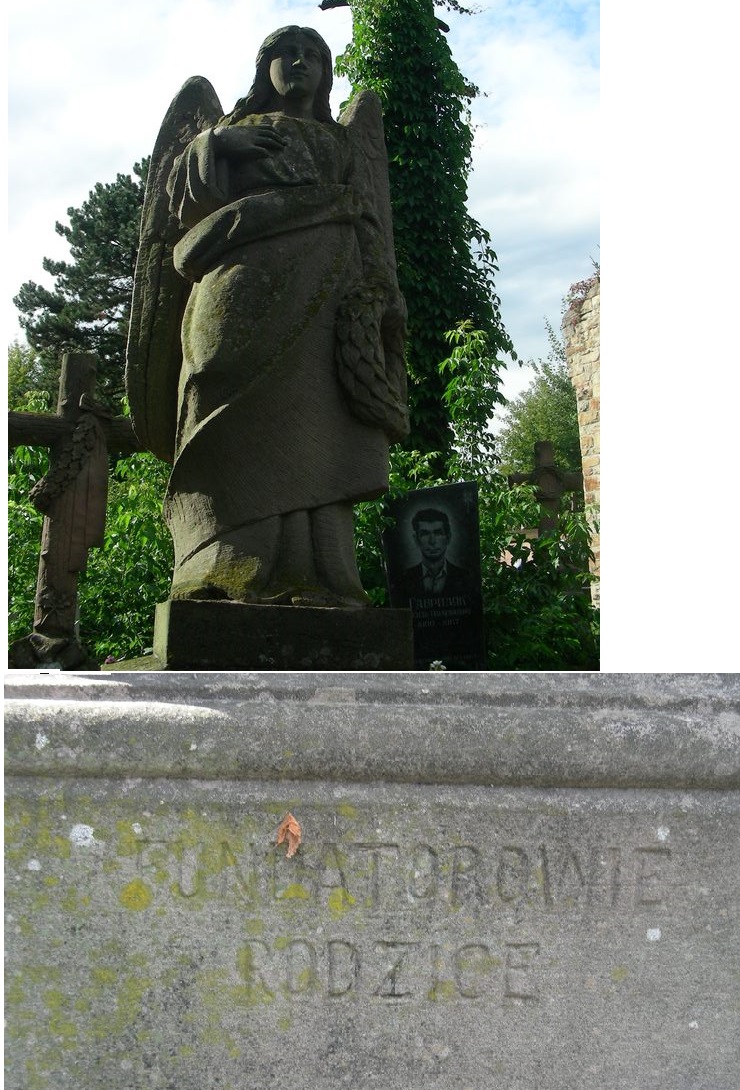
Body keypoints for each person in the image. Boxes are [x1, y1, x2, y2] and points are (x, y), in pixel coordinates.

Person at [127, 26, 407, 607]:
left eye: (313, 56)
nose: (300, 64)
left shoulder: (343, 142)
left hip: (324, 295)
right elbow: (176, 200)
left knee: (315, 421)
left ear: (327, 73)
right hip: (236, 287)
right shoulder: (230, 131)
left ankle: (320, 576)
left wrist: (380, 295)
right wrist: (217, 149)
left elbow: (372, 224)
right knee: (213, 394)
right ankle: (214, 569)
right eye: (287, 55)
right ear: (266, 69)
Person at [399, 509, 471, 599]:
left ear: (448, 537)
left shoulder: (465, 577)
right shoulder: (403, 579)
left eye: (438, 533)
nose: (432, 541)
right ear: (416, 539)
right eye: (425, 534)